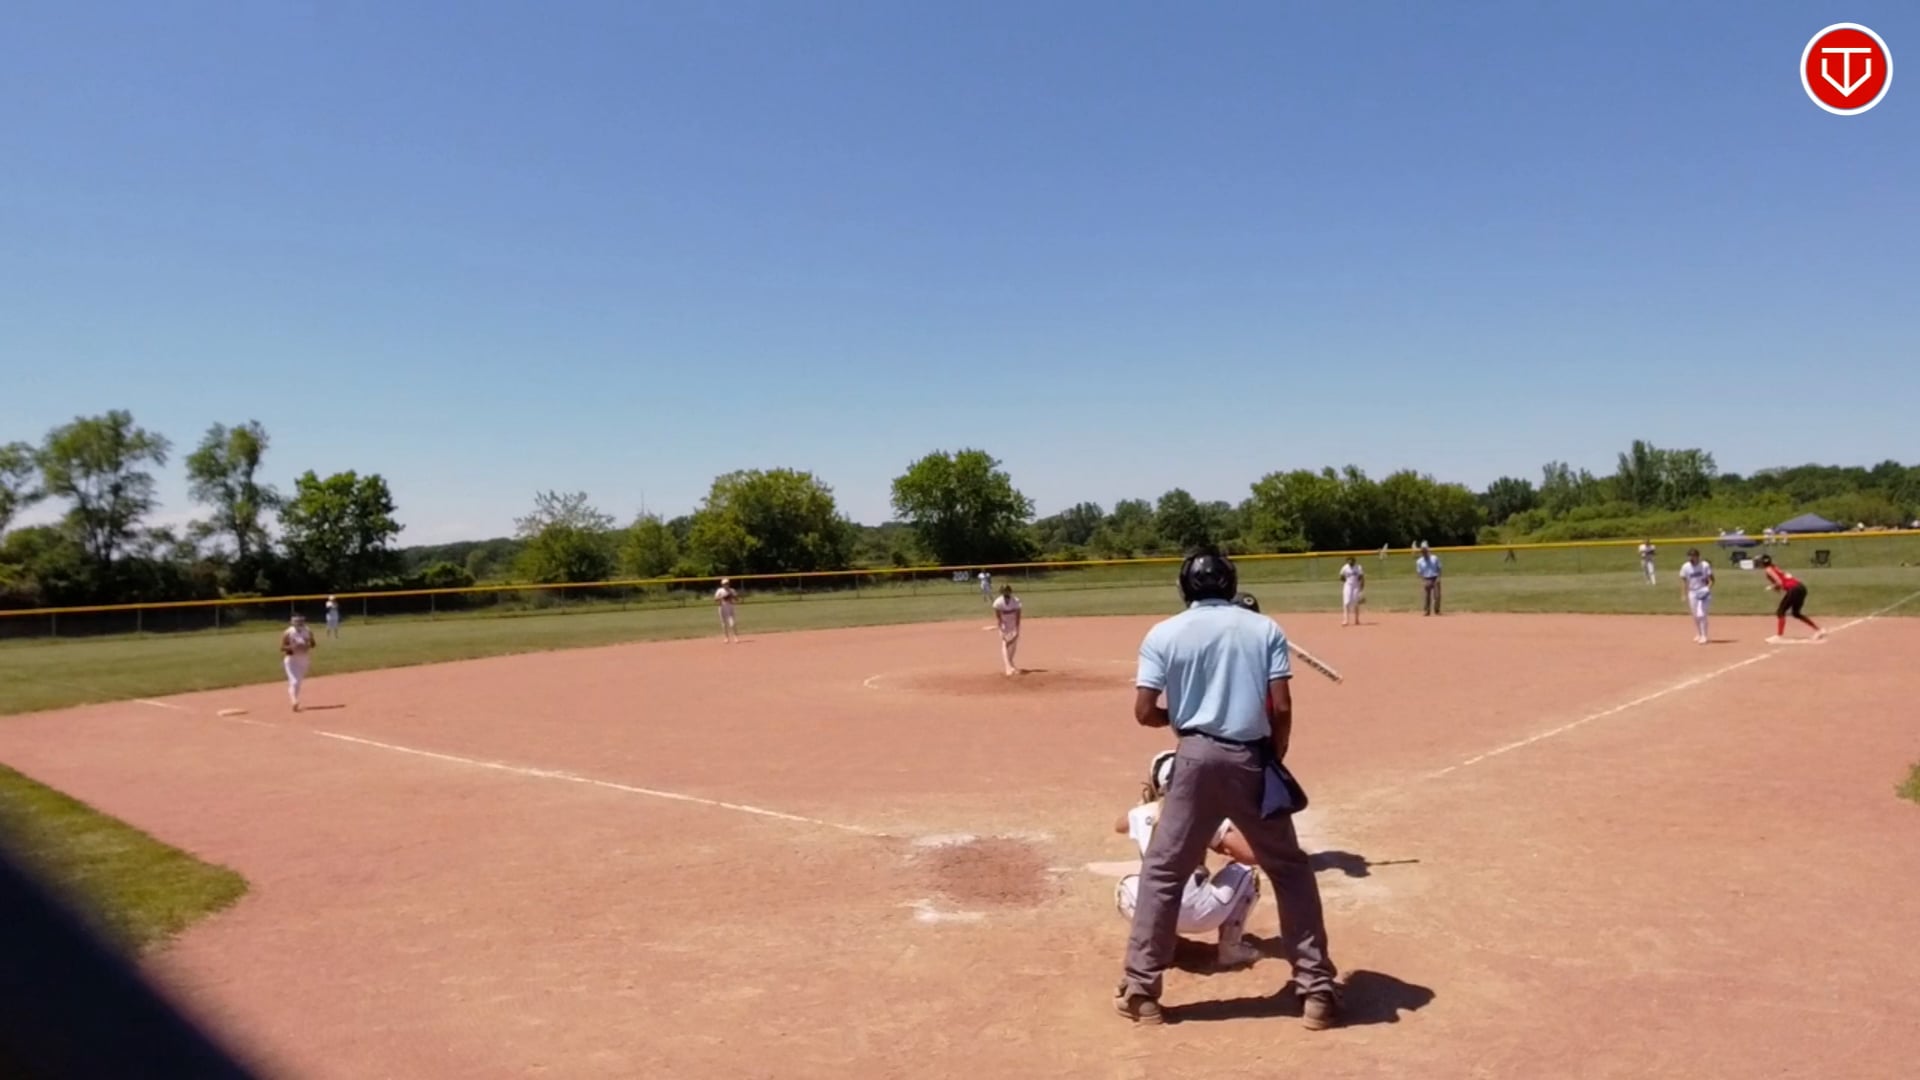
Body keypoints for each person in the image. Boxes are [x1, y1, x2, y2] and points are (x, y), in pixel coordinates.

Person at [1115, 550, 1339, 1030]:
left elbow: (1144, 711)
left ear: (1184, 588)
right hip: (1251, 757)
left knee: (1164, 872)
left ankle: (1141, 990)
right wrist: (1274, 755)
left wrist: (1184, 720)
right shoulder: (1264, 629)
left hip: (1192, 760)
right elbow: (1281, 707)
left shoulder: (1163, 633)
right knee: (1290, 870)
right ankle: (1316, 989)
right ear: (1231, 584)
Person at [1112, 751, 1262, 971]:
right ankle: (1230, 949)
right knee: (1247, 871)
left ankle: (1162, 945)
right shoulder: (1205, 812)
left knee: (1125, 886)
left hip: (1155, 912)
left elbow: (1119, 825)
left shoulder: (1142, 813)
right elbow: (1250, 855)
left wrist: (1145, 805)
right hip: (1200, 914)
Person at [1757, 554, 1824, 642]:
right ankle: (1819, 630)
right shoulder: (1774, 567)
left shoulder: (1768, 570)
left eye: (1759, 562)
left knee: (1780, 612)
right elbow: (1781, 582)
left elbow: (1779, 582)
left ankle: (1779, 636)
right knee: (1796, 613)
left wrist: (1771, 587)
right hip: (1801, 587)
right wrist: (1776, 587)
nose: (1758, 563)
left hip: (1794, 589)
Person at [280, 614, 316, 712]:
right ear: (292, 622)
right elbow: (282, 647)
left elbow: (313, 644)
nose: (298, 623)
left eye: (300, 621)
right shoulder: (288, 632)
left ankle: (294, 699)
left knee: (298, 682)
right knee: (294, 681)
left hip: (304, 659)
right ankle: (294, 701)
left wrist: (306, 644)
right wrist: (293, 647)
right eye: (296, 621)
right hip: (291, 660)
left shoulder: (308, 630)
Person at [1678, 548, 1714, 645]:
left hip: (1703, 591)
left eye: (1693, 556)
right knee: (1695, 615)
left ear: (1698, 556)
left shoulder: (1705, 565)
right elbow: (1684, 581)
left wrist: (1707, 589)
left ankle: (1704, 636)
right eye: (1690, 556)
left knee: (1702, 614)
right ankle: (1699, 633)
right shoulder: (1686, 567)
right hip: (1692, 592)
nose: (1691, 558)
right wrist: (1683, 594)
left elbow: (1712, 580)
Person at [991, 583, 1022, 675]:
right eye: (1004, 591)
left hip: (1013, 625)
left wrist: (1017, 628)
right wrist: (1001, 628)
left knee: (1013, 645)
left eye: (1007, 591)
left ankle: (1011, 663)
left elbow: (1018, 616)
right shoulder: (998, 602)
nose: (1006, 593)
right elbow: (998, 617)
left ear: (1010, 591)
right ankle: (1007, 667)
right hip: (1005, 625)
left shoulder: (1016, 601)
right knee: (1005, 644)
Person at [1414, 543, 1443, 615]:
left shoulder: (1434, 558)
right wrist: (1423, 580)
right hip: (1426, 578)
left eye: (1425, 550)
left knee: (1437, 595)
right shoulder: (1419, 561)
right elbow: (1419, 572)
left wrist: (1438, 577)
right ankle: (1427, 611)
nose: (1424, 552)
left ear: (1428, 550)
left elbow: (1439, 568)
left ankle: (1437, 610)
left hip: (1435, 577)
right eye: (1422, 551)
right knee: (1427, 596)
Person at [1339, 556, 1365, 626]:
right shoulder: (1345, 567)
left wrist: (1361, 588)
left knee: (1356, 603)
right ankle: (1346, 620)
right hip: (1347, 586)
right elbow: (1341, 576)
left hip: (1356, 586)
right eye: (1349, 560)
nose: (1350, 561)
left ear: (1354, 561)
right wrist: (1345, 581)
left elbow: (1361, 577)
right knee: (1346, 602)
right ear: (1347, 561)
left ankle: (1357, 620)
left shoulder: (1358, 567)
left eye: (1351, 560)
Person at [714, 578, 740, 643]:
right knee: (724, 623)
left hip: (730, 607)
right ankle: (726, 637)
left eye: (727, 583)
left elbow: (737, 599)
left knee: (732, 623)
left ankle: (735, 637)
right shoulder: (719, 590)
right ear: (722, 584)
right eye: (725, 584)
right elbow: (715, 599)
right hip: (722, 607)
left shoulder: (732, 590)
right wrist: (722, 597)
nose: (726, 585)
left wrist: (732, 596)